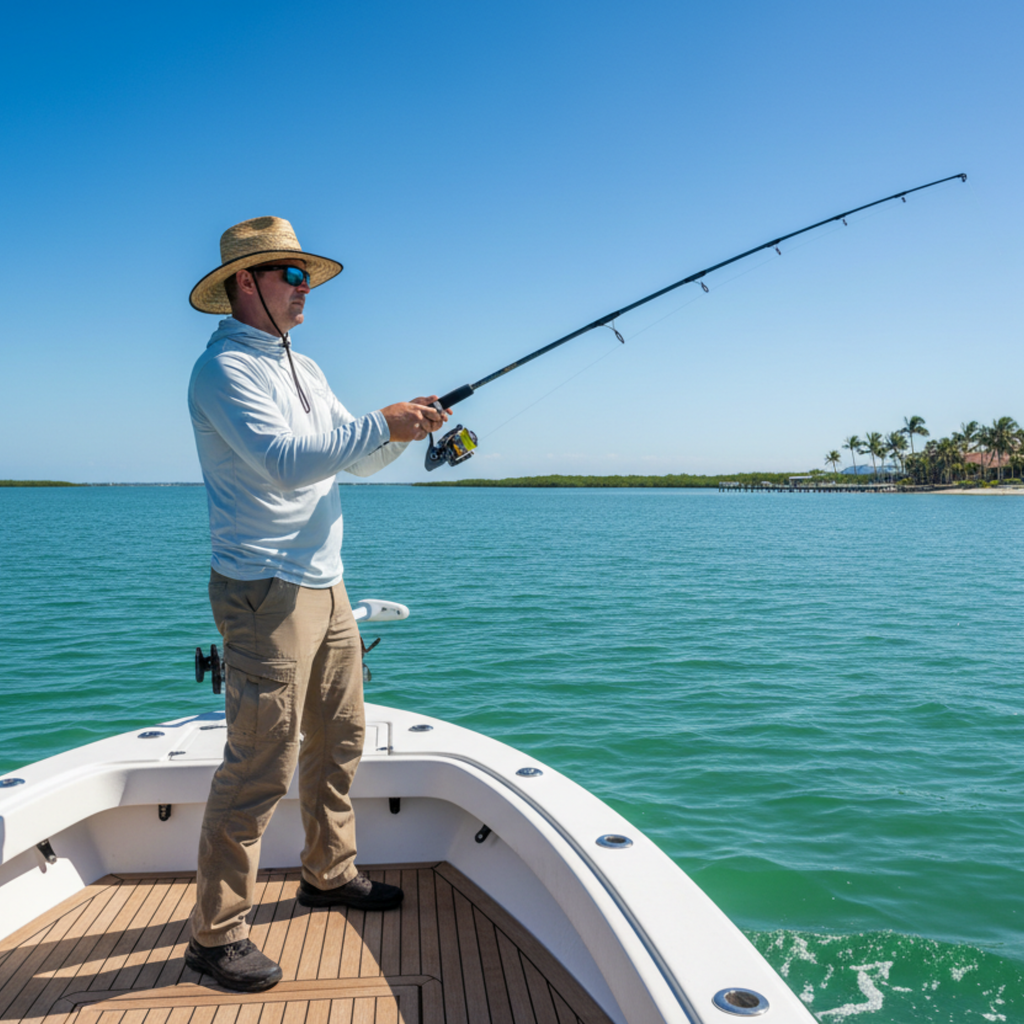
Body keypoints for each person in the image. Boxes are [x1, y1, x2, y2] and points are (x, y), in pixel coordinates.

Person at [183, 216, 448, 992]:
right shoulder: (222, 371)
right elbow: (284, 464)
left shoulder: (307, 366)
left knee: (339, 740)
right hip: (264, 589)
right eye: (290, 276)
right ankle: (214, 934)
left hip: (326, 582)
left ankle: (328, 874)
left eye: (305, 277)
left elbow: (353, 459)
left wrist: (402, 430)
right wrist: (380, 423)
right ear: (246, 283)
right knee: (260, 761)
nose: (306, 291)